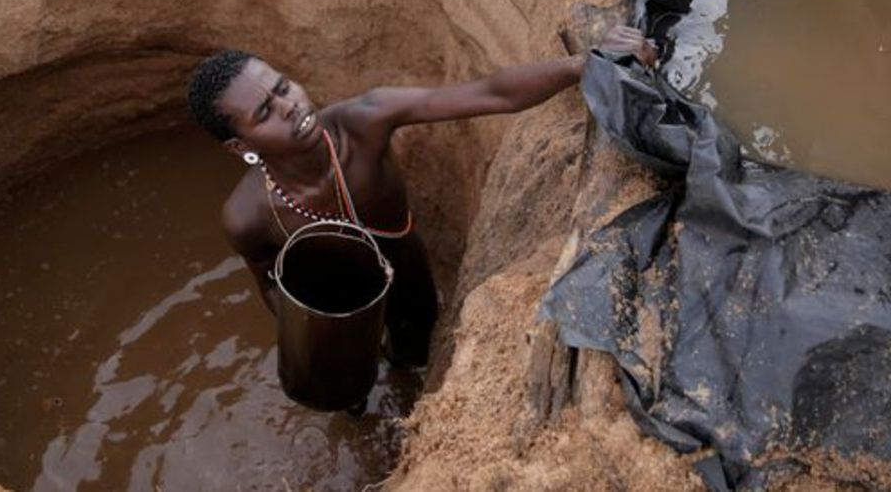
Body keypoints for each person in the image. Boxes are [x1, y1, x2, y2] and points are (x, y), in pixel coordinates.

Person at [186, 26, 656, 367]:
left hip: (409, 282)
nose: (292, 107)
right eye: (267, 111)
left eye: (284, 87)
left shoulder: (365, 121)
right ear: (241, 146)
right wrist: (310, 337)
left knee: (414, 358)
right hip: (334, 312)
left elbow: (491, 94)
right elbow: (269, 282)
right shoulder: (246, 216)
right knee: (341, 392)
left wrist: (583, 64)